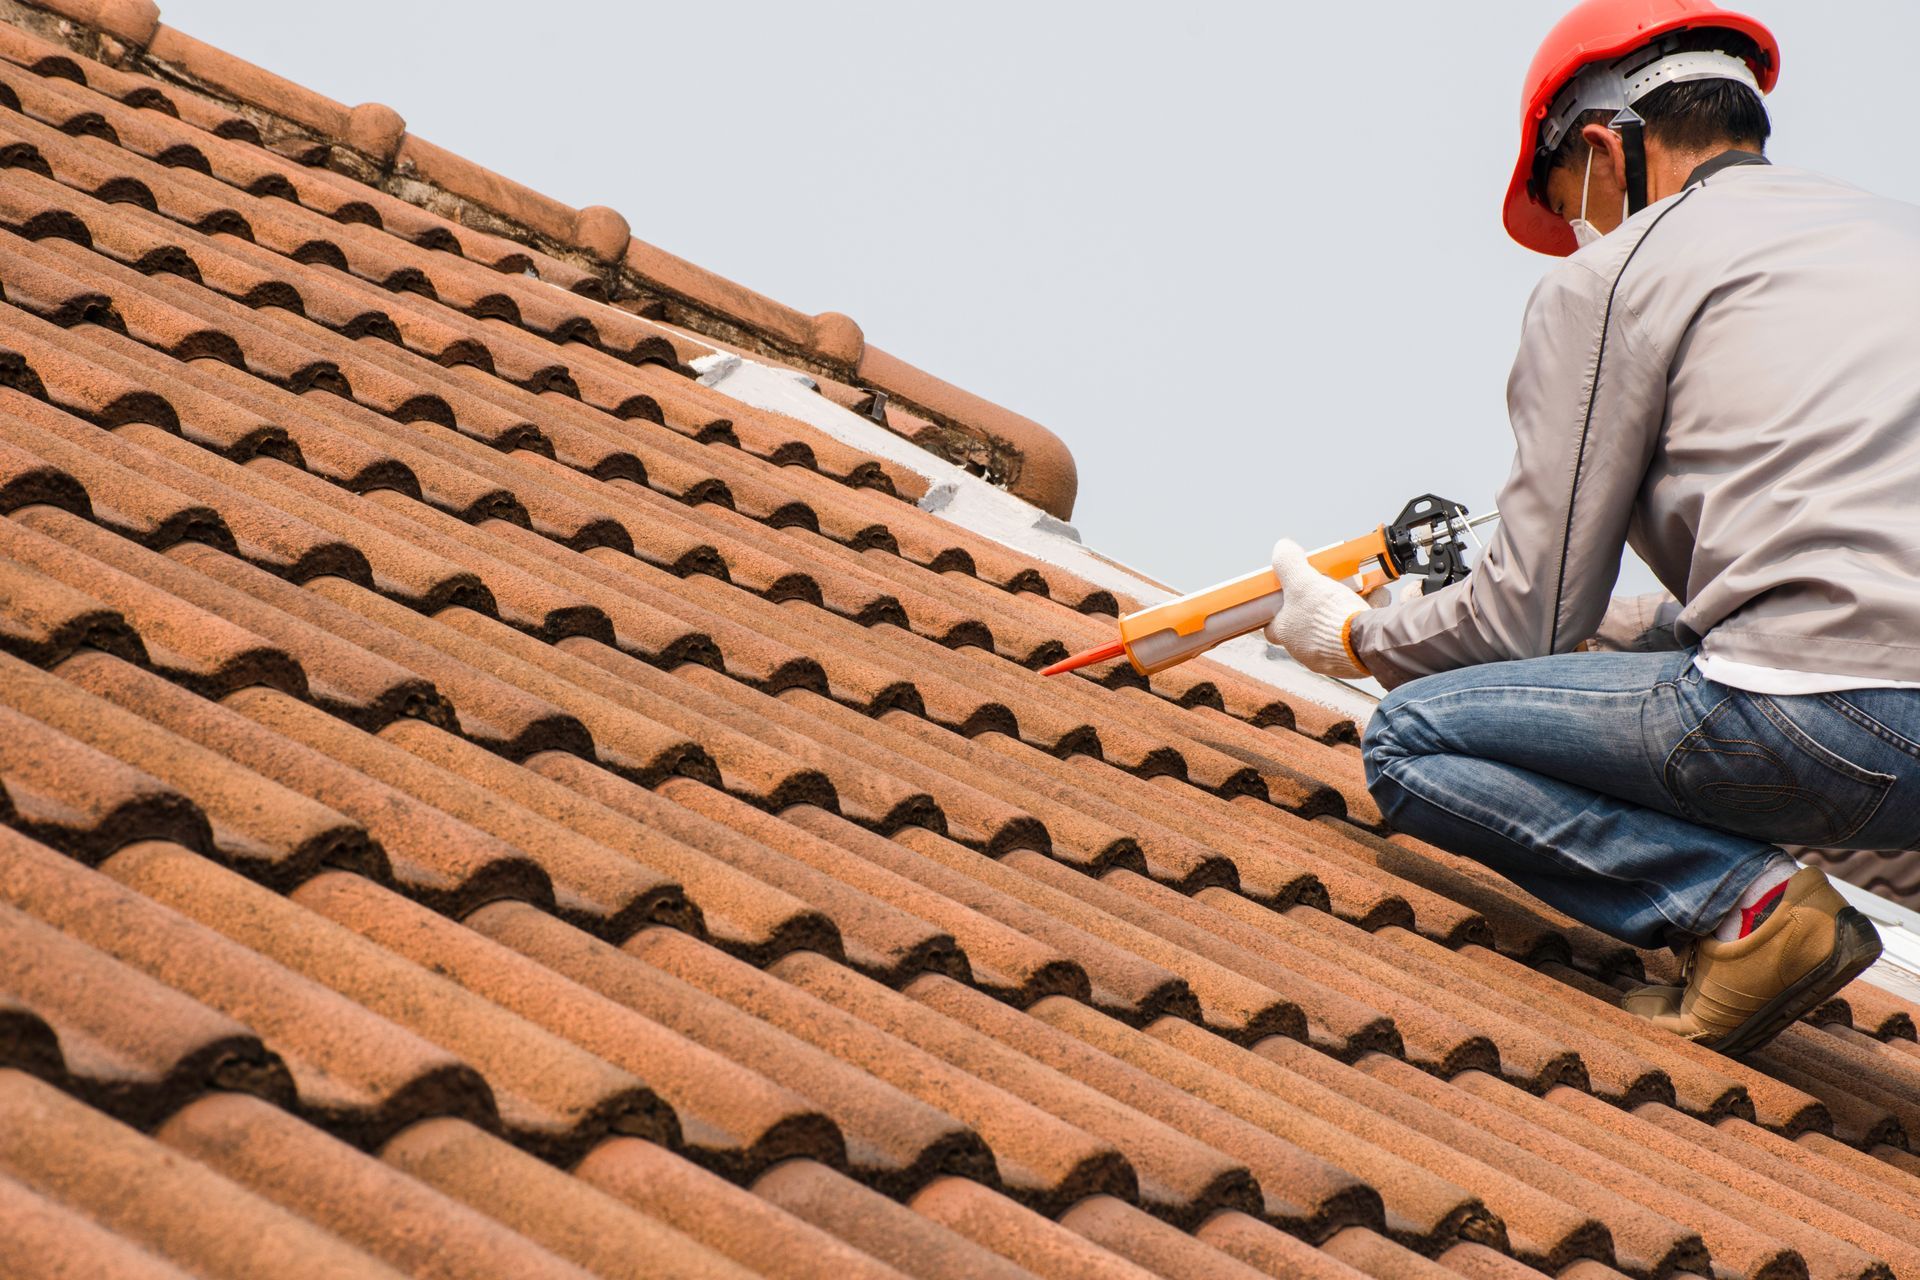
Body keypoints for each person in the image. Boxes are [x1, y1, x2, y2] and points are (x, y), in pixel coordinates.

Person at [1263, 0, 1916, 1057]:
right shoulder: (1891, 233)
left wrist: (1357, 637)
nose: (1582, 237)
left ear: (1608, 153)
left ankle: (1744, 911)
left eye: (1576, 206)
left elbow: (1528, 612)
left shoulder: (1619, 273)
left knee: (1416, 735)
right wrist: (1606, 640)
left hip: (1819, 713)